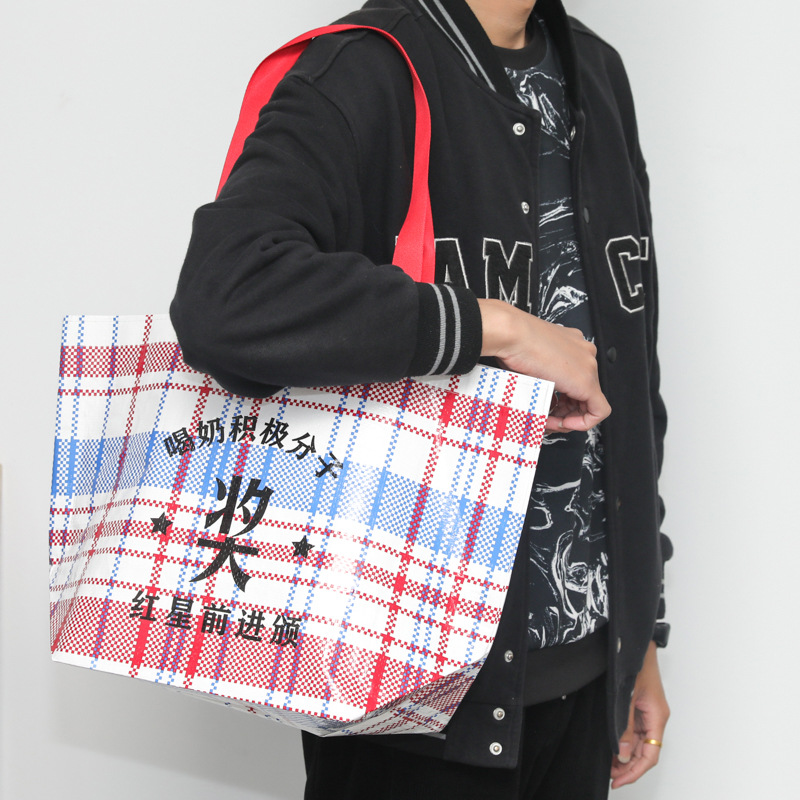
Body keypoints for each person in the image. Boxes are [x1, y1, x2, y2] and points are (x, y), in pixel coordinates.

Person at [170, 0, 671, 796]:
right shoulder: (365, 68)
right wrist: (493, 327)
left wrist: (638, 632)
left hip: (586, 684)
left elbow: (631, 371)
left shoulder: (596, 71)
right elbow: (225, 298)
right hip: (408, 697)